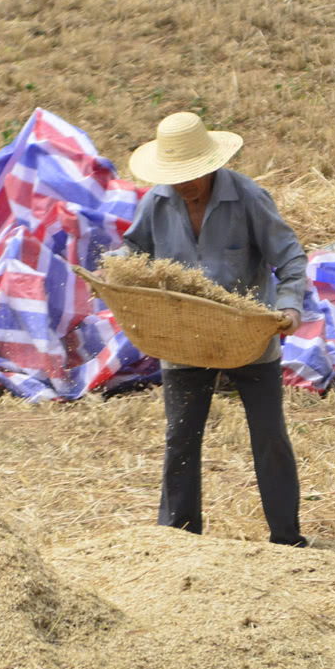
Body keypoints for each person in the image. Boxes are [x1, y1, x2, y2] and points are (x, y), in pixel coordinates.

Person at [119, 111, 309, 547]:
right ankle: (180, 540)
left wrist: (289, 306)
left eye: (194, 174)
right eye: (177, 176)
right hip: (185, 337)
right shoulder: (157, 202)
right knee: (180, 437)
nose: (185, 184)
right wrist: (124, 281)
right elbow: (132, 251)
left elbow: (291, 257)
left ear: (211, 164)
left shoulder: (247, 197)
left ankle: (287, 538)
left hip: (248, 335)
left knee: (269, 436)